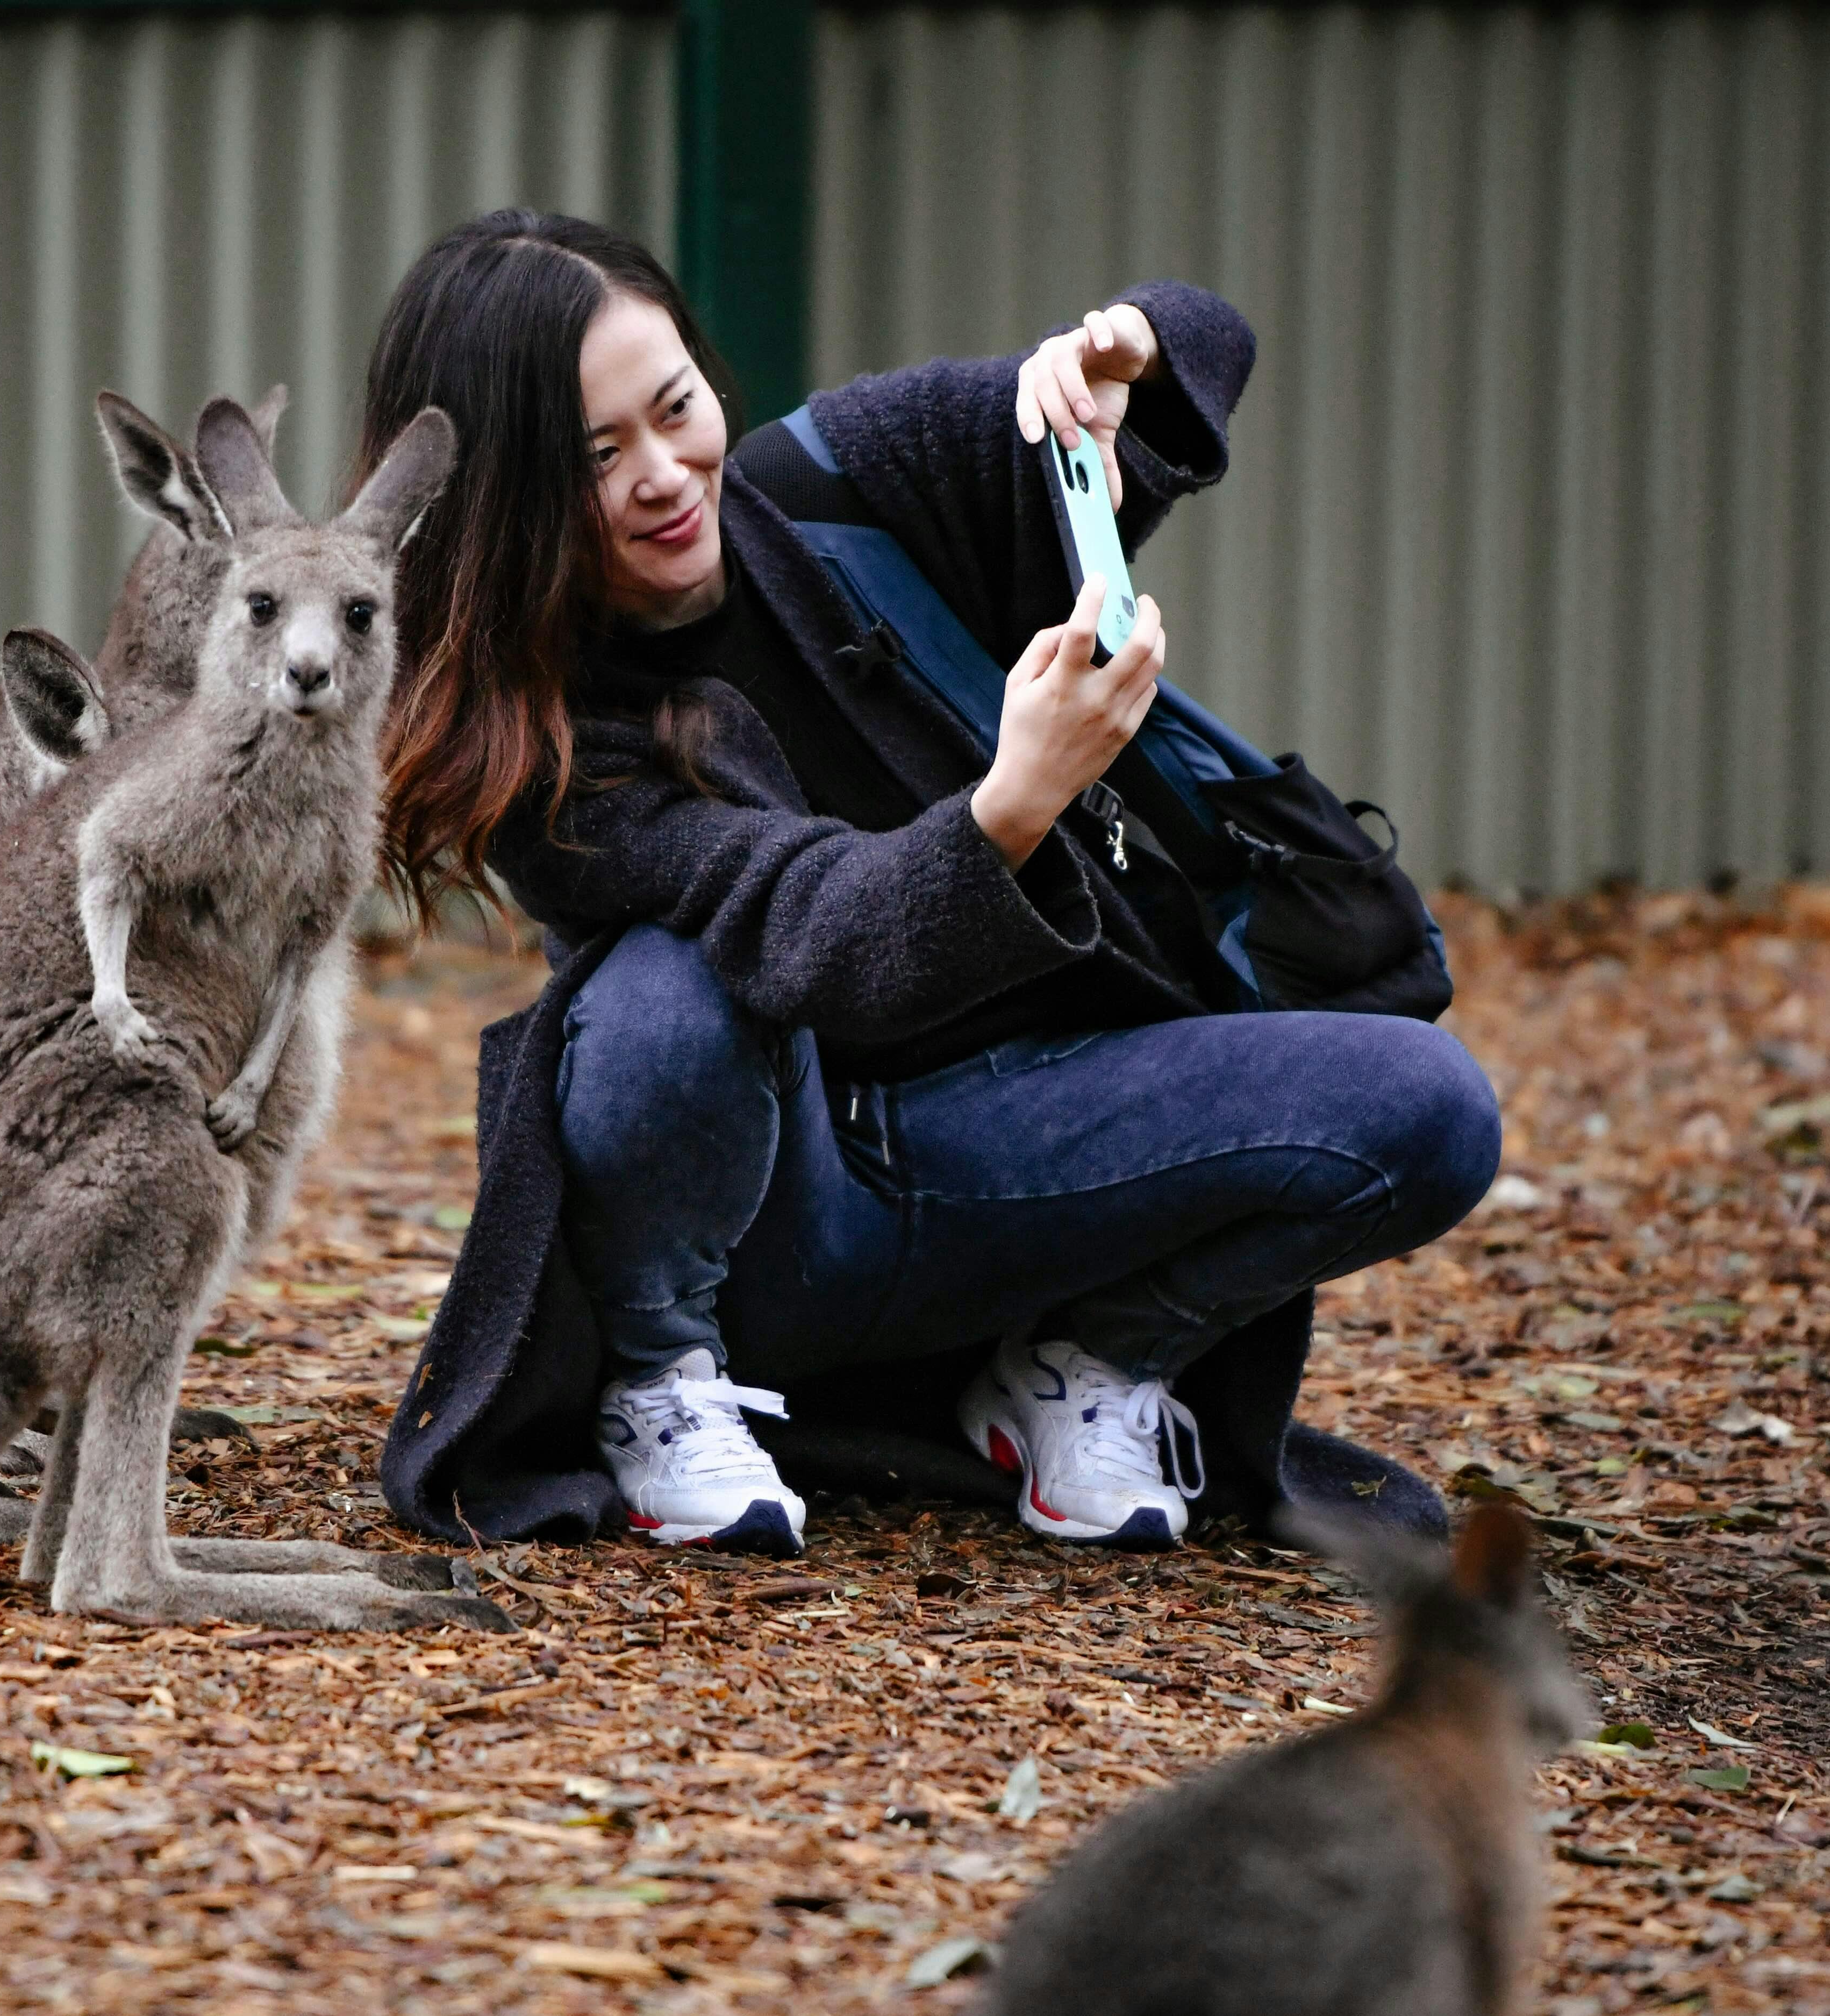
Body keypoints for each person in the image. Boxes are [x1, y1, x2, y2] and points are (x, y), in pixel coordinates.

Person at [366, 211, 1498, 1557]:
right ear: (499, 503)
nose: (667, 475)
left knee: (1435, 1109)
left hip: (1045, 1138)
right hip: (786, 1212)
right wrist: (1017, 800)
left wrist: (1126, 347)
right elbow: (815, 934)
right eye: (593, 460)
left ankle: (1086, 1364)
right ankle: (665, 1379)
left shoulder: (853, 476)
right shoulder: (537, 736)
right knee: (659, 992)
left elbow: (1193, 357)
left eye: (675, 409)